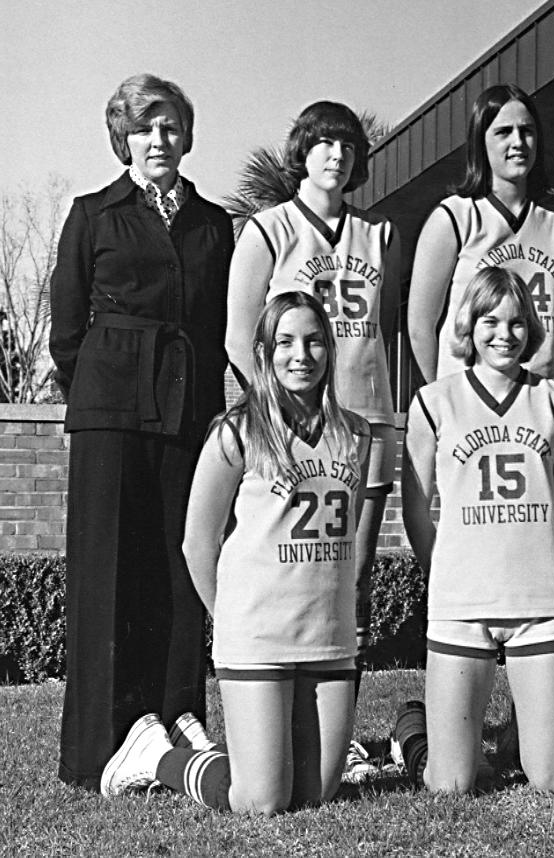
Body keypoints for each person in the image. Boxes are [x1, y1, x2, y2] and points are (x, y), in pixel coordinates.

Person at [100, 291, 371, 814]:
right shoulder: (236, 431)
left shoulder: (355, 434)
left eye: (315, 342)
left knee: (316, 795)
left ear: (331, 352)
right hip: (256, 637)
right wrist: (229, 617)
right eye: (286, 342)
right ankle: (157, 757)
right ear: (264, 353)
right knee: (260, 800)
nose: (302, 355)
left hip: (328, 636)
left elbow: (348, 532)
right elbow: (196, 541)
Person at [48, 73, 234, 791]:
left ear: (187, 136)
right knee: (109, 569)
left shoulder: (212, 223)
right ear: (123, 137)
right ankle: (103, 742)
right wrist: (108, 384)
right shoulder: (93, 213)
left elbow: (216, 324)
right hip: (111, 411)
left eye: (171, 127)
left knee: (182, 560)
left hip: (187, 409)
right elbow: (67, 332)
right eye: (144, 128)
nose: (159, 140)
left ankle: (178, 714)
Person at [224, 101, 400, 778]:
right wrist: (276, 409)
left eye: (348, 145)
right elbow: (240, 333)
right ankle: (277, 720)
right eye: (323, 143)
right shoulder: (270, 229)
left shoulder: (377, 233)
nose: (336, 155)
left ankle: (337, 731)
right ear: (302, 151)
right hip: (294, 427)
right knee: (294, 564)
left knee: (351, 577)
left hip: (366, 419)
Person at [399, 267, 554, 793]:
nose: (505, 333)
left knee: (548, 778)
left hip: (538, 602)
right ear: (469, 325)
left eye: (518, 321)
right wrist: (448, 572)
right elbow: (417, 510)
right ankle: (414, 733)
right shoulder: (434, 401)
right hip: (462, 602)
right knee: (451, 783)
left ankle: (517, 738)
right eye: (490, 320)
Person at [408, 84, 554, 382]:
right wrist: (441, 395)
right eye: (503, 132)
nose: (518, 141)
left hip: (537, 397)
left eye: (527, 131)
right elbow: (420, 325)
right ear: (480, 142)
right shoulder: (454, 217)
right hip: (468, 398)